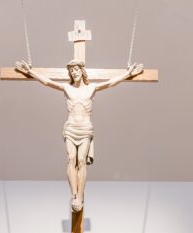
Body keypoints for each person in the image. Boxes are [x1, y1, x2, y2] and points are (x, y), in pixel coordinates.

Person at [14, 59, 143, 212]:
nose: (74, 72)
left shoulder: (92, 88)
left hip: (85, 128)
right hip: (71, 127)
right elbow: (48, 82)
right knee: (70, 159)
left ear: (82, 71)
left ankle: (80, 195)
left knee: (81, 159)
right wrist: (30, 72)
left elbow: (110, 83)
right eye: (71, 71)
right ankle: (74, 194)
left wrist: (128, 73)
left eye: (76, 70)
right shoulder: (67, 88)